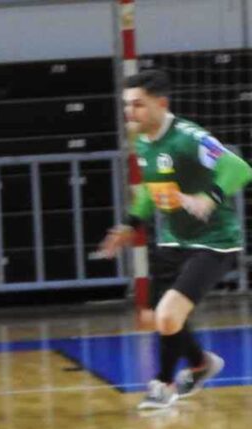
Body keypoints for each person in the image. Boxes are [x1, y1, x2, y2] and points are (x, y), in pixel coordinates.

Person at [99, 69, 252, 410]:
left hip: (214, 242)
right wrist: (130, 224)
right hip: (172, 241)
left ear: (161, 103)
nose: (130, 112)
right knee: (160, 318)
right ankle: (200, 364)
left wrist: (208, 198)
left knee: (167, 315)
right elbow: (149, 193)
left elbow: (240, 168)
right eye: (127, 105)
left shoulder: (188, 137)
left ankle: (163, 384)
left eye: (138, 105)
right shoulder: (142, 141)